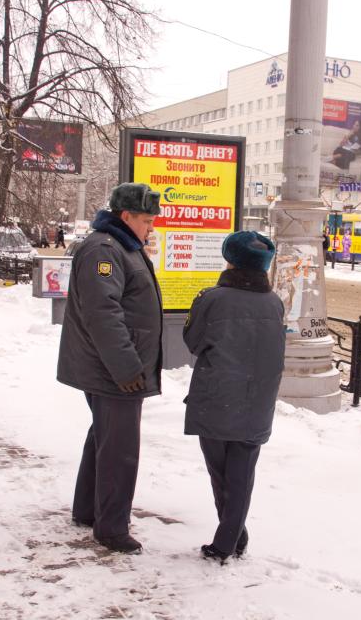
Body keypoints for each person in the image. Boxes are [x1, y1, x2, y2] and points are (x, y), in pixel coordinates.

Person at [57, 182, 163, 555]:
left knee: (103, 438)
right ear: (125, 216)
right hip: (114, 370)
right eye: (146, 220)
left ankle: (89, 511)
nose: (150, 227)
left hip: (113, 367)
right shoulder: (105, 249)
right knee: (119, 449)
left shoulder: (119, 246)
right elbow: (103, 314)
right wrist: (126, 367)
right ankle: (112, 528)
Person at [183, 231, 286, 564]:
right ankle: (234, 535)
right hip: (257, 400)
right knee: (242, 474)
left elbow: (193, 342)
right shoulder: (274, 303)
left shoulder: (212, 298)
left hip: (217, 397)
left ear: (230, 260)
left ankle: (226, 542)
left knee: (220, 472)